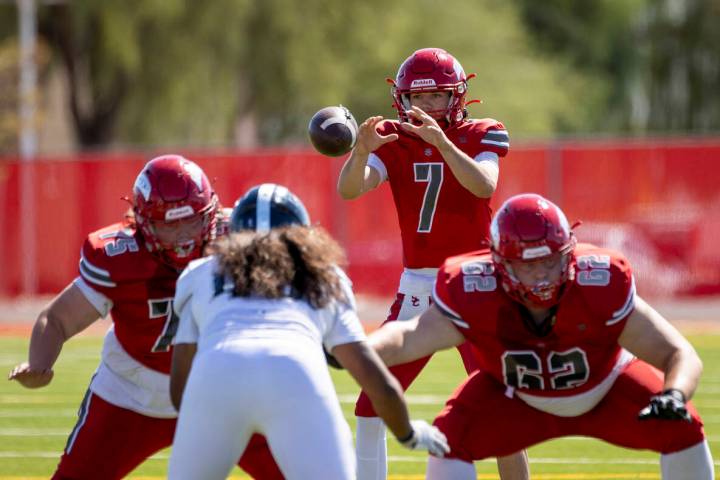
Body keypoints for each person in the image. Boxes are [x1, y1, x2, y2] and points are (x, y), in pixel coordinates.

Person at [367, 193, 715, 479]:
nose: (541, 277)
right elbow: (411, 336)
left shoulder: (599, 281)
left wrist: (675, 393)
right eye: (527, 265)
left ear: (569, 253)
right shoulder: (476, 287)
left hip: (604, 389)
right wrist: (359, 348)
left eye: (549, 262)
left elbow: (678, 353)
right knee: (448, 438)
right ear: (500, 264)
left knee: (683, 424)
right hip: (514, 398)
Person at [8, 155, 282, 479]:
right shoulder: (118, 257)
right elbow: (57, 319)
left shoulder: (240, 239)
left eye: (191, 220)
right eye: (169, 224)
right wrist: (39, 362)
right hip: (132, 393)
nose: (182, 237)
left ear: (211, 212)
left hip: (224, 388)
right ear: (143, 221)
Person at [166, 183, 449, 479]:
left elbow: (179, 391)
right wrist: (407, 433)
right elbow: (374, 377)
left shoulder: (197, 275)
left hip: (216, 375)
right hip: (295, 372)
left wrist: (216, 416)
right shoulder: (326, 277)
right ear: (302, 235)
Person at [337, 47, 527, 479]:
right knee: (371, 403)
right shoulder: (392, 138)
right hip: (419, 287)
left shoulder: (482, 132)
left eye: (436, 97)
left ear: (457, 97)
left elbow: (483, 186)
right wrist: (361, 151)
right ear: (402, 100)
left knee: (501, 406)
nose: (425, 107)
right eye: (417, 99)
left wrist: (440, 143)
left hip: (478, 281)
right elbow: (350, 190)